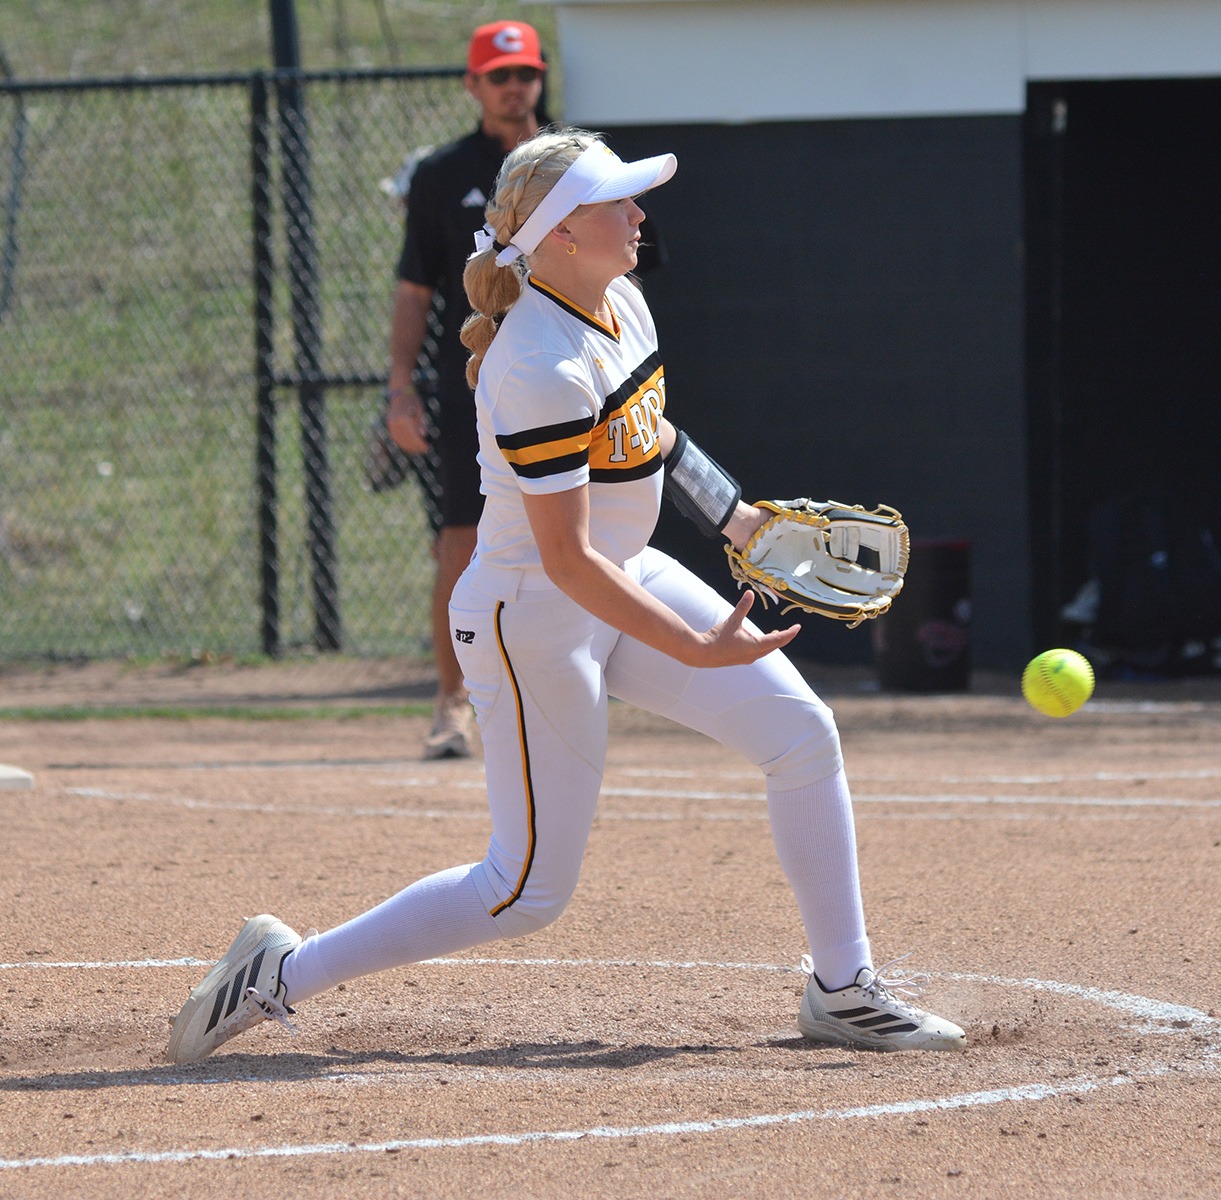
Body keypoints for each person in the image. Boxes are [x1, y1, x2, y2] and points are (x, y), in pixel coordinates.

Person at [165, 129, 965, 1064]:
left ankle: (844, 990)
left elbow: (651, 433)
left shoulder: (620, 297)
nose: (637, 215)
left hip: (611, 581)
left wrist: (738, 521)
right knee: (524, 889)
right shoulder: (536, 366)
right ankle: (276, 974)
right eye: (614, 202)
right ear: (558, 238)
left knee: (801, 733)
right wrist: (692, 644)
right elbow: (566, 560)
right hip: (531, 619)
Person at [383, 19, 550, 760]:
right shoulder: (444, 173)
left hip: (567, 378)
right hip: (474, 384)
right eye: (499, 75)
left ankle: (557, 692)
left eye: (525, 73)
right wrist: (399, 389)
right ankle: (453, 702)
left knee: (584, 532)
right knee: (460, 539)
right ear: (473, 84)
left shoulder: (574, 162)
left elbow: (629, 272)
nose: (515, 87)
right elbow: (416, 289)